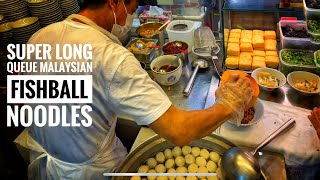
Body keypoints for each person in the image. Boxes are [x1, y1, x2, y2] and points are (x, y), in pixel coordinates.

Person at [14, 0, 253, 179]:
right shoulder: (110, 56)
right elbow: (179, 131)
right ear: (114, 3)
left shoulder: (40, 36)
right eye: (132, 8)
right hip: (95, 171)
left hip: (49, 162)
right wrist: (230, 105)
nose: (132, 17)